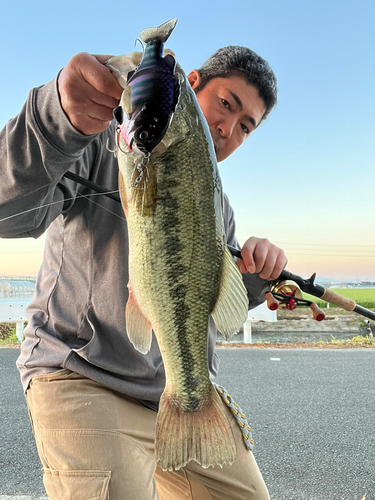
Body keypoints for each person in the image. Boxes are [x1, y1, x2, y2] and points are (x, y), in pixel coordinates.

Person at [0, 44, 286, 500]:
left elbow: (202, 304)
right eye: (226, 104)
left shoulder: (220, 209)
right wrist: (59, 117)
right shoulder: (96, 141)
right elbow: (7, 213)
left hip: (172, 391)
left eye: (245, 126)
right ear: (190, 86)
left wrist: (256, 276)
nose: (227, 129)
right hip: (83, 374)